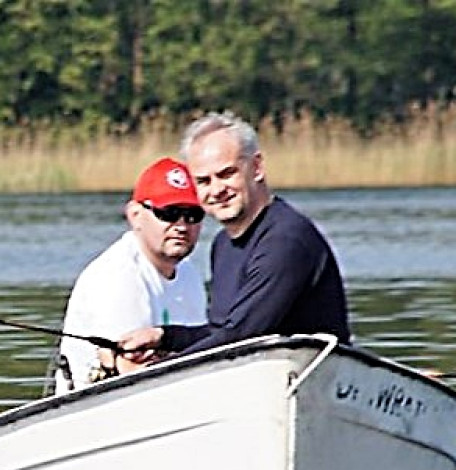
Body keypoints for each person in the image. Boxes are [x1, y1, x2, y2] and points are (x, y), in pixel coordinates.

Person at [119, 112, 350, 362]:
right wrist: (164, 337)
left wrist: (158, 370)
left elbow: (242, 337)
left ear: (257, 168)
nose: (217, 190)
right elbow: (223, 332)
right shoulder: (222, 244)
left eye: (227, 174)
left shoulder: (285, 240)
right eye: (203, 181)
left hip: (313, 372)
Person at [52, 157, 208, 394]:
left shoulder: (189, 273)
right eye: (169, 213)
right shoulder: (117, 277)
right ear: (135, 215)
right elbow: (131, 373)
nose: (182, 226)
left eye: (193, 214)